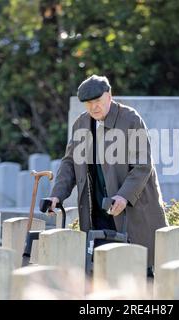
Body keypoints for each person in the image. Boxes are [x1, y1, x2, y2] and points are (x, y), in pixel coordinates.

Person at [46, 75, 167, 276]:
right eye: (88, 103)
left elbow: (143, 165)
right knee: (102, 274)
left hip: (131, 210)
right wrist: (56, 196)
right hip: (97, 211)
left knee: (139, 273)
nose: (94, 107)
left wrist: (123, 196)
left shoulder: (131, 119)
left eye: (98, 101)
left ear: (109, 95)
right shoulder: (81, 124)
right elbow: (69, 163)